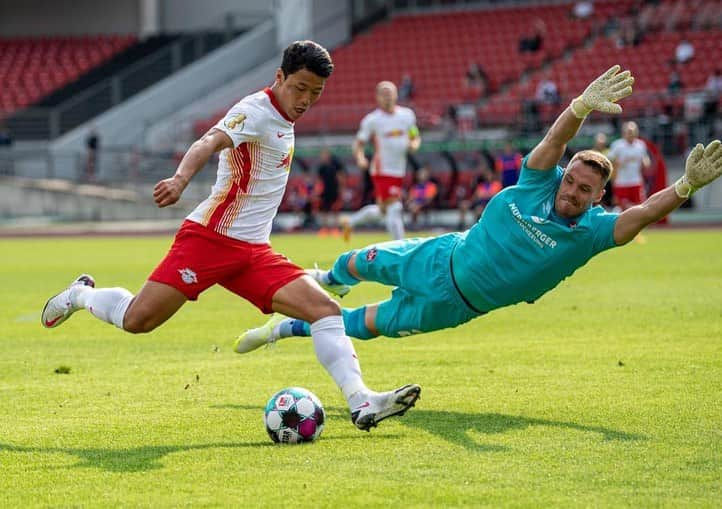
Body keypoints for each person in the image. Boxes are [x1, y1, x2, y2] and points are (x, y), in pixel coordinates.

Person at [40, 40, 420, 432]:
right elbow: (209, 141)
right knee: (139, 319)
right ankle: (80, 295)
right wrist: (180, 179)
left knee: (325, 312)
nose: (306, 99)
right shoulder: (254, 110)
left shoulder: (285, 119)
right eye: (300, 88)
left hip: (254, 252)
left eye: (316, 92)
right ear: (279, 78)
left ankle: (361, 402)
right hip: (209, 241)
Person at [236, 65, 722, 349]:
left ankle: (284, 328)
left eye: (583, 190)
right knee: (359, 261)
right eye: (571, 180)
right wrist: (580, 106)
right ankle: (322, 280)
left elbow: (641, 216)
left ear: (598, 198)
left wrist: (684, 186)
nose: (571, 191)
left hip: (456, 305)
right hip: (440, 255)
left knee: (365, 325)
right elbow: (555, 139)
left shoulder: (592, 232)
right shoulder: (538, 181)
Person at [341, 81, 421, 242]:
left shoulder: (407, 116)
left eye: (390, 93)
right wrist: (360, 157)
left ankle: (350, 222)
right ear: (377, 97)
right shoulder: (372, 120)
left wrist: (414, 144)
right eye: (383, 94)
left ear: (396, 95)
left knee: (383, 211)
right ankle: (399, 247)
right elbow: (359, 143)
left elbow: (414, 135)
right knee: (394, 206)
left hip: (399, 169)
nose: (387, 97)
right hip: (382, 169)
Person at [607, 121, 650, 210]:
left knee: (639, 208)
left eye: (633, 132)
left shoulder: (640, 145)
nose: (631, 134)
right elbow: (609, 161)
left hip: (636, 181)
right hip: (621, 182)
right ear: (624, 133)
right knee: (621, 208)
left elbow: (645, 159)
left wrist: (646, 163)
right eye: (629, 132)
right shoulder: (617, 145)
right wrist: (620, 163)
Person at [316, 148, 345, 235]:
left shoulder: (335, 165)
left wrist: (341, 188)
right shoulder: (321, 167)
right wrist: (318, 190)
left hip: (334, 189)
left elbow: (340, 177)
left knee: (335, 209)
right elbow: (319, 180)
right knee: (324, 210)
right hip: (325, 190)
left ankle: (335, 228)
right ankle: (325, 228)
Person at [591, 132, 616, 211]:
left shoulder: (610, 153)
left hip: (608, 182)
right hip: (596, 183)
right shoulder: (591, 153)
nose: (600, 144)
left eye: (602, 142)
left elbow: (614, 166)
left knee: (609, 203)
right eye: (599, 142)